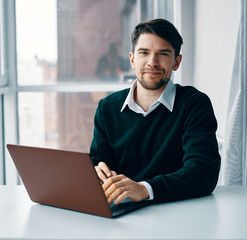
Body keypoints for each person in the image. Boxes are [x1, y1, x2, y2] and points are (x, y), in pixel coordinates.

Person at [89, 19, 221, 205]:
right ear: (132, 59)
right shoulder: (107, 108)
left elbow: (203, 173)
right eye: (144, 53)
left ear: (177, 62)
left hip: (178, 211)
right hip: (122, 212)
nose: (153, 62)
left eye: (163, 54)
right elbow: (97, 164)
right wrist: (96, 172)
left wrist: (144, 189)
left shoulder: (194, 105)